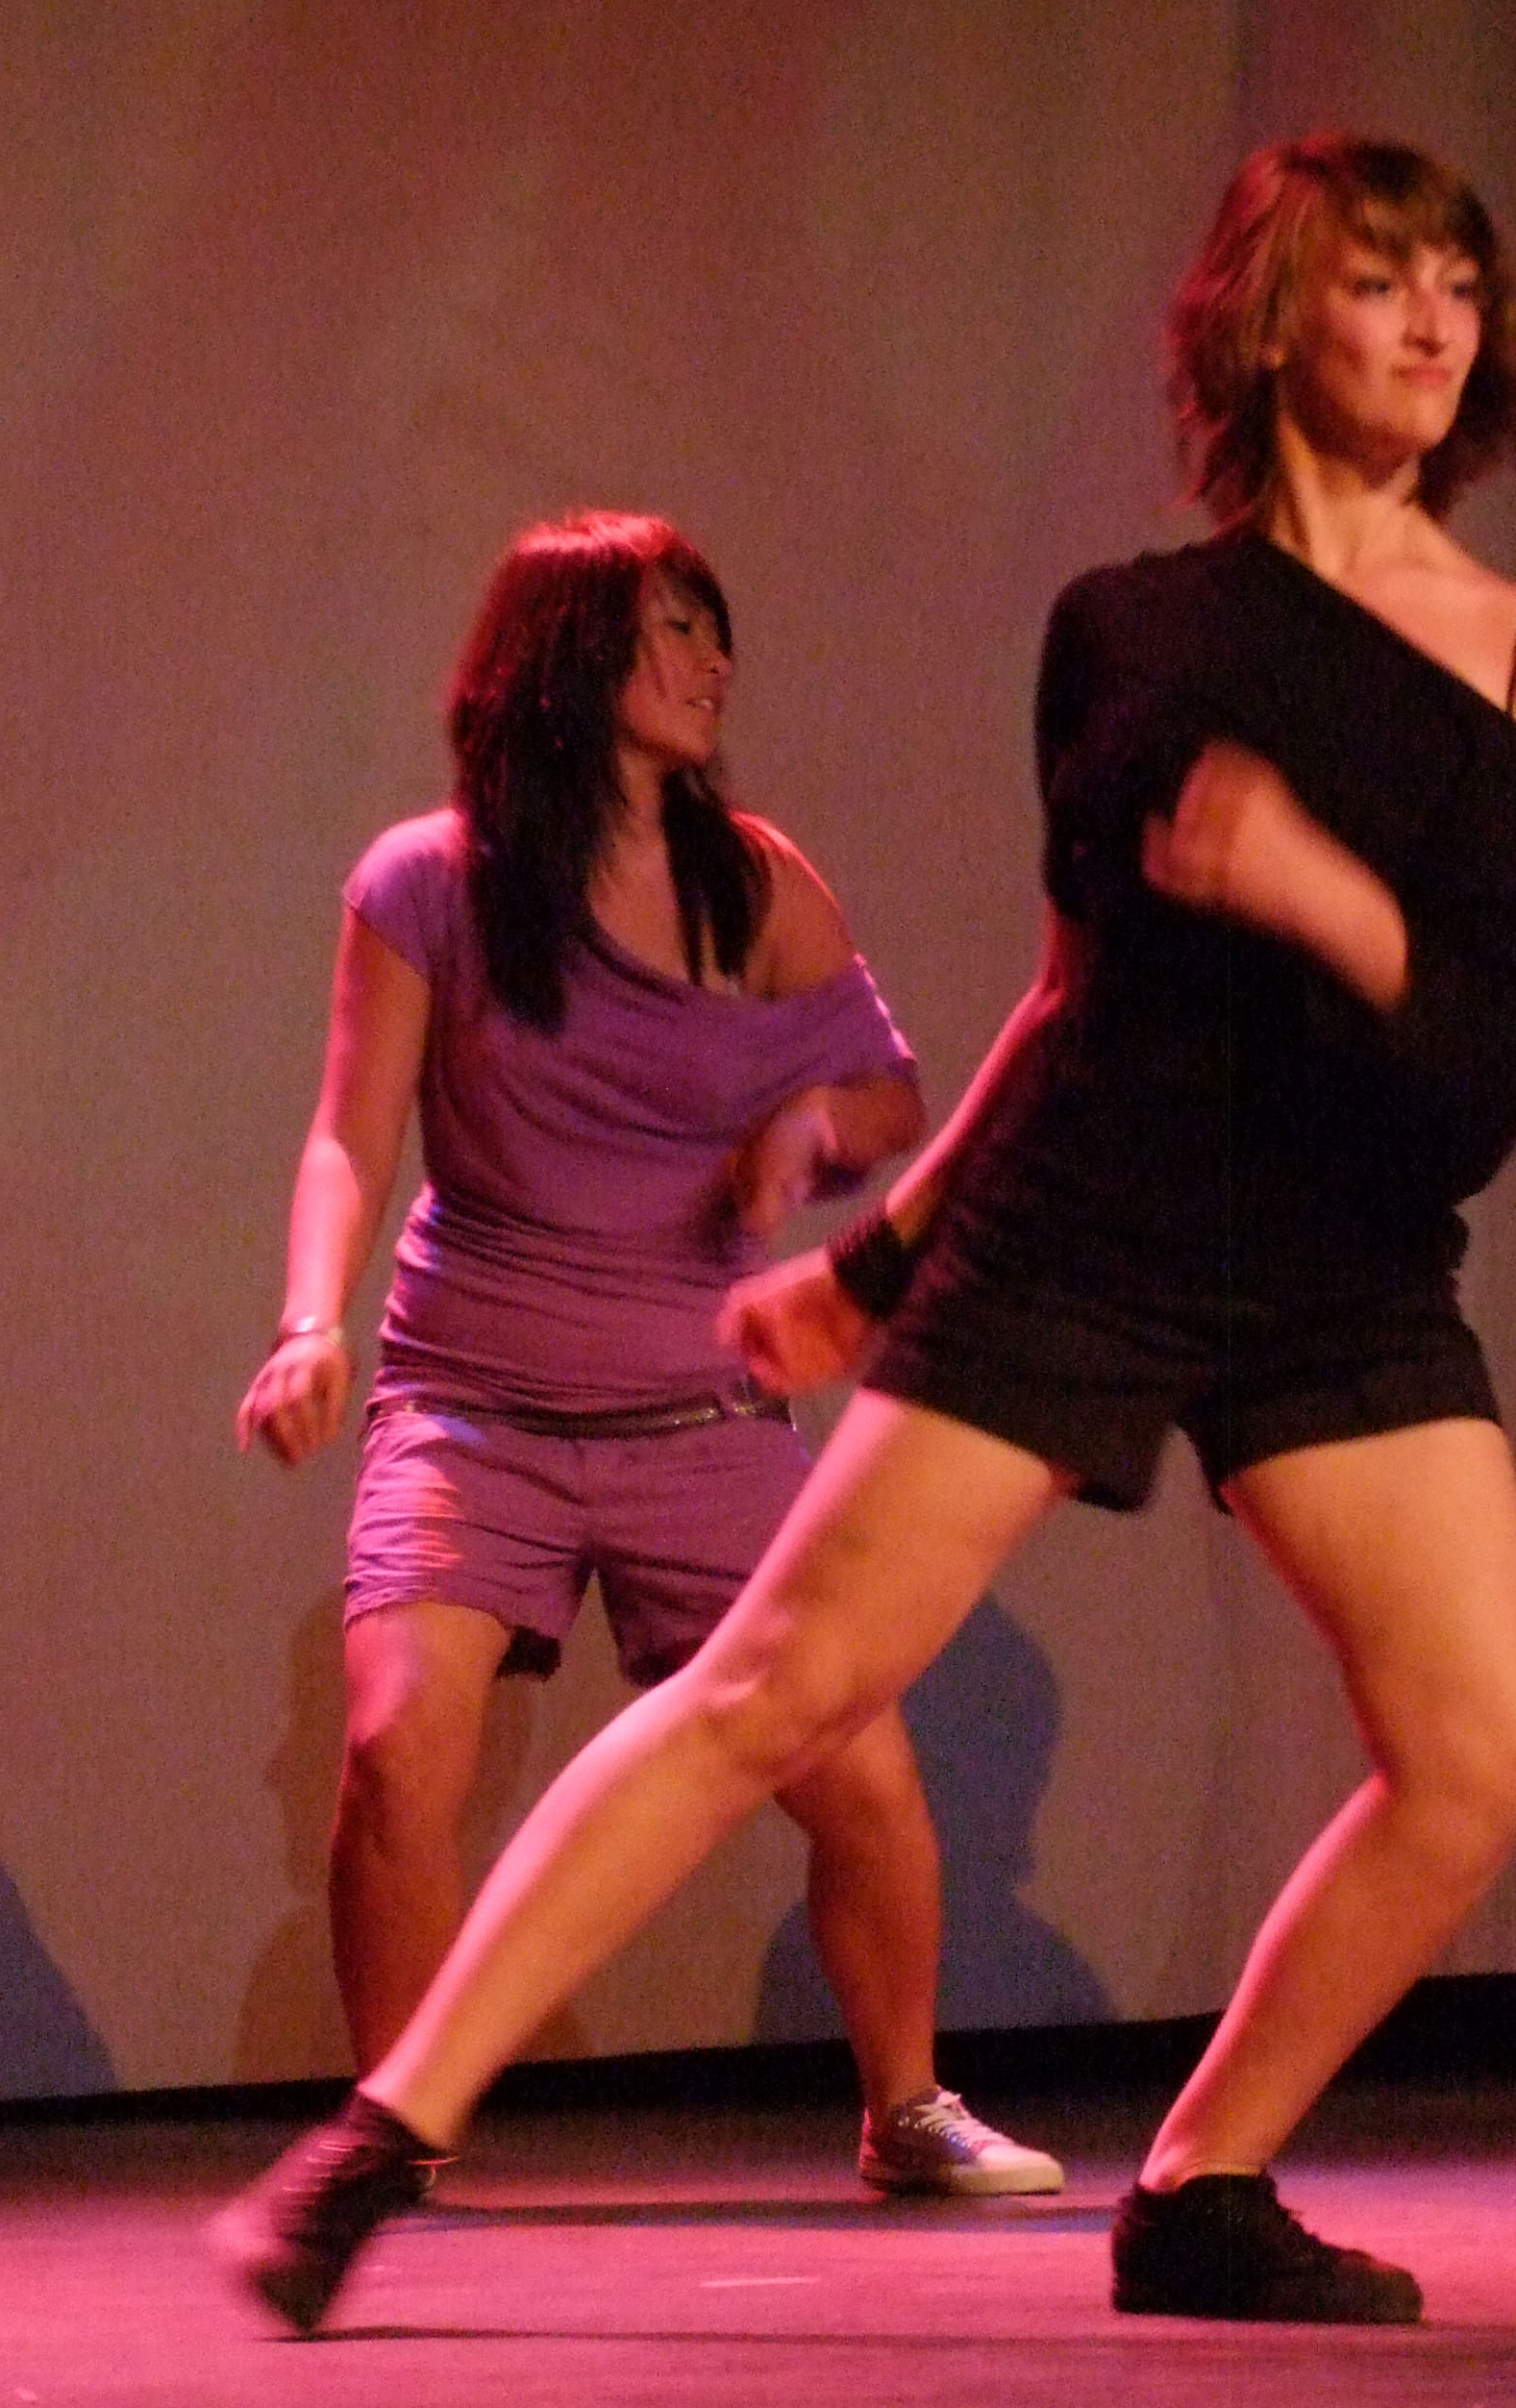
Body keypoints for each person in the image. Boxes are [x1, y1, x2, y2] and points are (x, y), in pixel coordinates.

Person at [212, 135, 1516, 2329]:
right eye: (1380, 280)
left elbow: (1476, 1068)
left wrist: (1309, 884)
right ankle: (377, 2137)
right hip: (1083, 1233)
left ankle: (1203, 2182)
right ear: (1272, 324)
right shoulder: (1128, 632)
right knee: (776, 1686)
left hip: (1345, 1259)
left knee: (1479, 1752)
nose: (1436, 320)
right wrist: (877, 1266)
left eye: (1459, 280)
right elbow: (1072, 1007)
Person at [233, 509, 1056, 2199]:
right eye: (672, 628)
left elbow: (895, 1097)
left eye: (713, 629)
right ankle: (397, 2138)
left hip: (702, 1409)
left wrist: (813, 1124)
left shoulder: (750, 881)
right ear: (564, 662)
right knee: (396, 1752)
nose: (711, 660)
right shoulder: (429, 883)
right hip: (474, 1407)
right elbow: (348, 1137)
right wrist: (311, 1320)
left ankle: (907, 2104)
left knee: (864, 1776)